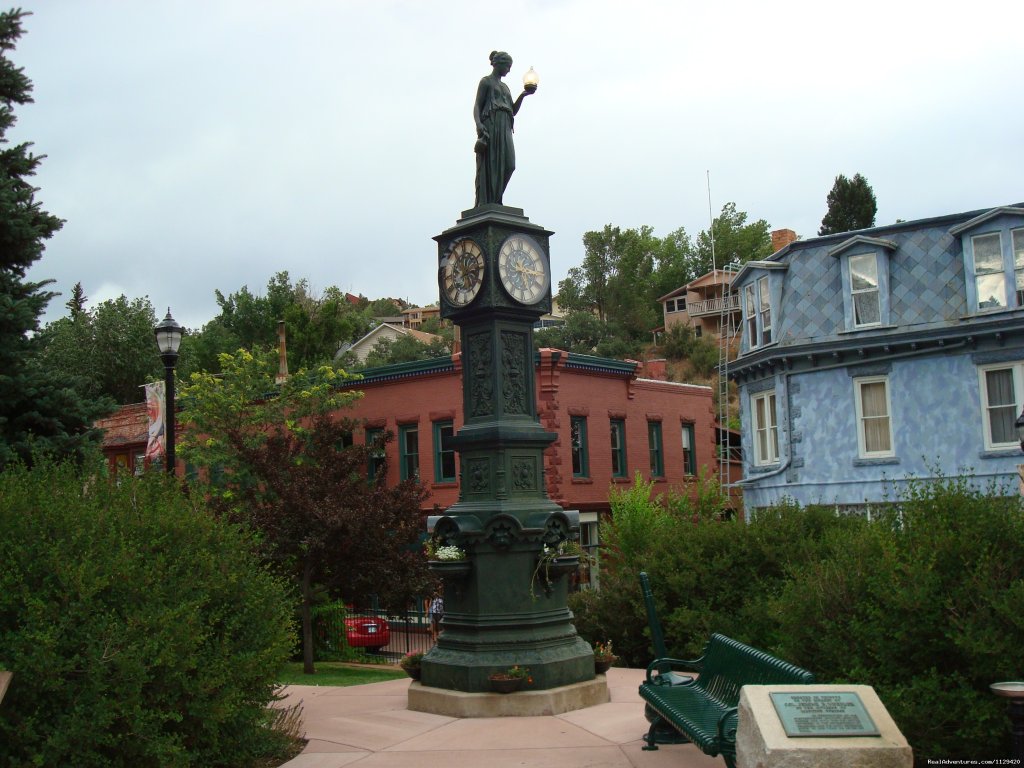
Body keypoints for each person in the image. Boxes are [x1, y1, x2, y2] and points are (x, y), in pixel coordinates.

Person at [473, 50, 536, 207]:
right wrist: (479, 125)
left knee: (509, 164)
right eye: (508, 66)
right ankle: (490, 202)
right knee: (491, 163)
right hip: (491, 125)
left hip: (505, 126)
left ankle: (496, 199)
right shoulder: (486, 82)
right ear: (499, 64)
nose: (509, 69)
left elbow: (512, 110)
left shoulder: (505, 87)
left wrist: (523, 95)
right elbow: (477, 106)